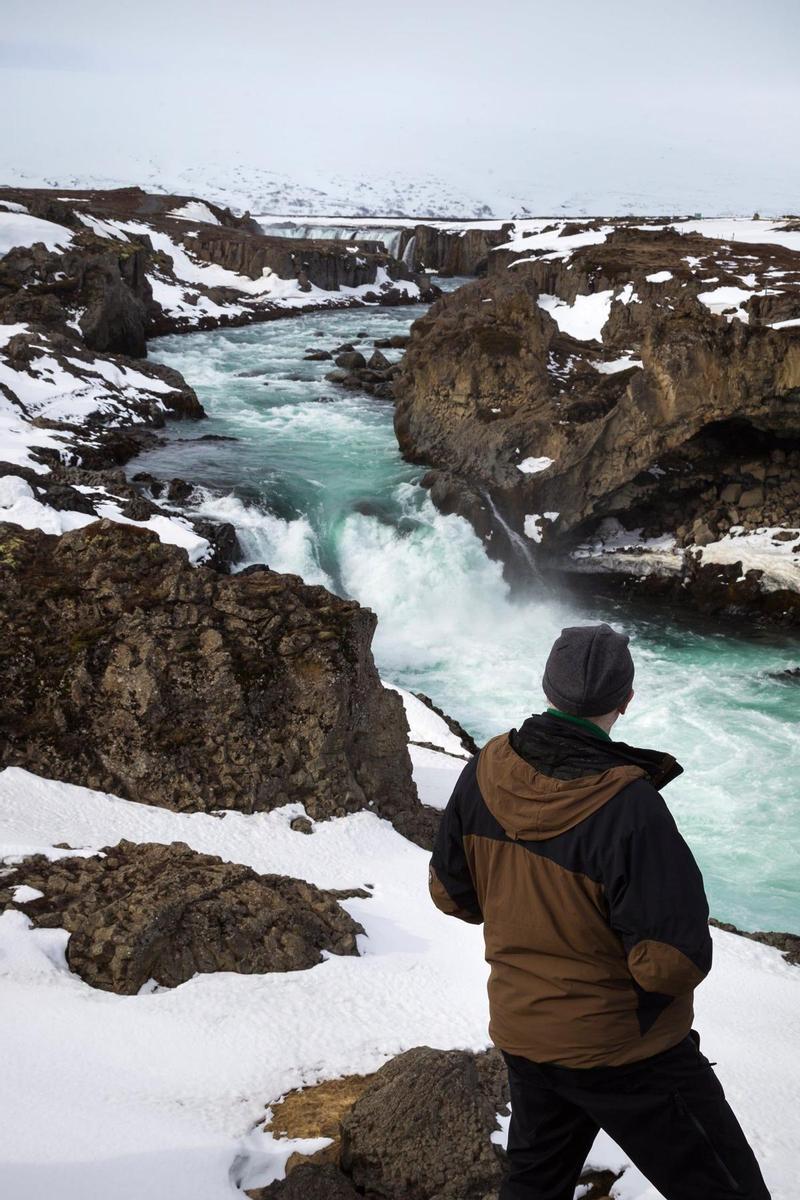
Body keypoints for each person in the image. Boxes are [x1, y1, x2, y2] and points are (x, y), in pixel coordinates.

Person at [428, 622, 771, 1200]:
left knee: (534, 1186)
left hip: (526, 1032)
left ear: (547, 688)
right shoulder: (629, 806)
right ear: (626, 700)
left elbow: (450, 895)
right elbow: (668, 963)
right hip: (626, 1050)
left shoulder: (485, 770)